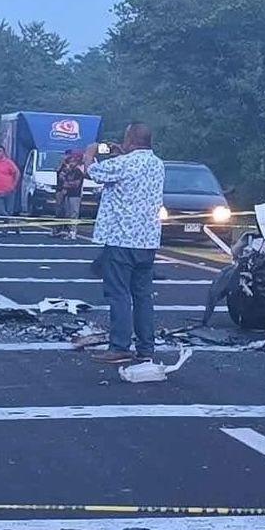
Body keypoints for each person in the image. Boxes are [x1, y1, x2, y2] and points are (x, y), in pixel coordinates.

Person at [83, 123, 165, 364]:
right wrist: (122, 154)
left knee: (119, 293)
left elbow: (93, 173)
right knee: (143, 296)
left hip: (121, 239)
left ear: (130, 139)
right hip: (147, 239)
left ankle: (119, 345)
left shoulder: (124, 163)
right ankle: (146, 347)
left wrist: (90, 153)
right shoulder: (158, 164)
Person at [53, 150, 87, 240]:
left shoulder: (78, 170)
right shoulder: (69, 170)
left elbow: (76, 183)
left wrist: (66, 185)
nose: (71, 161)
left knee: (73, 213)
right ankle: (65, 230)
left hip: (75, 194)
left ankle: (72, 232)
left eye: (72, 159)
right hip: (68, 193)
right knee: (67, 213)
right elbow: (60, 175)